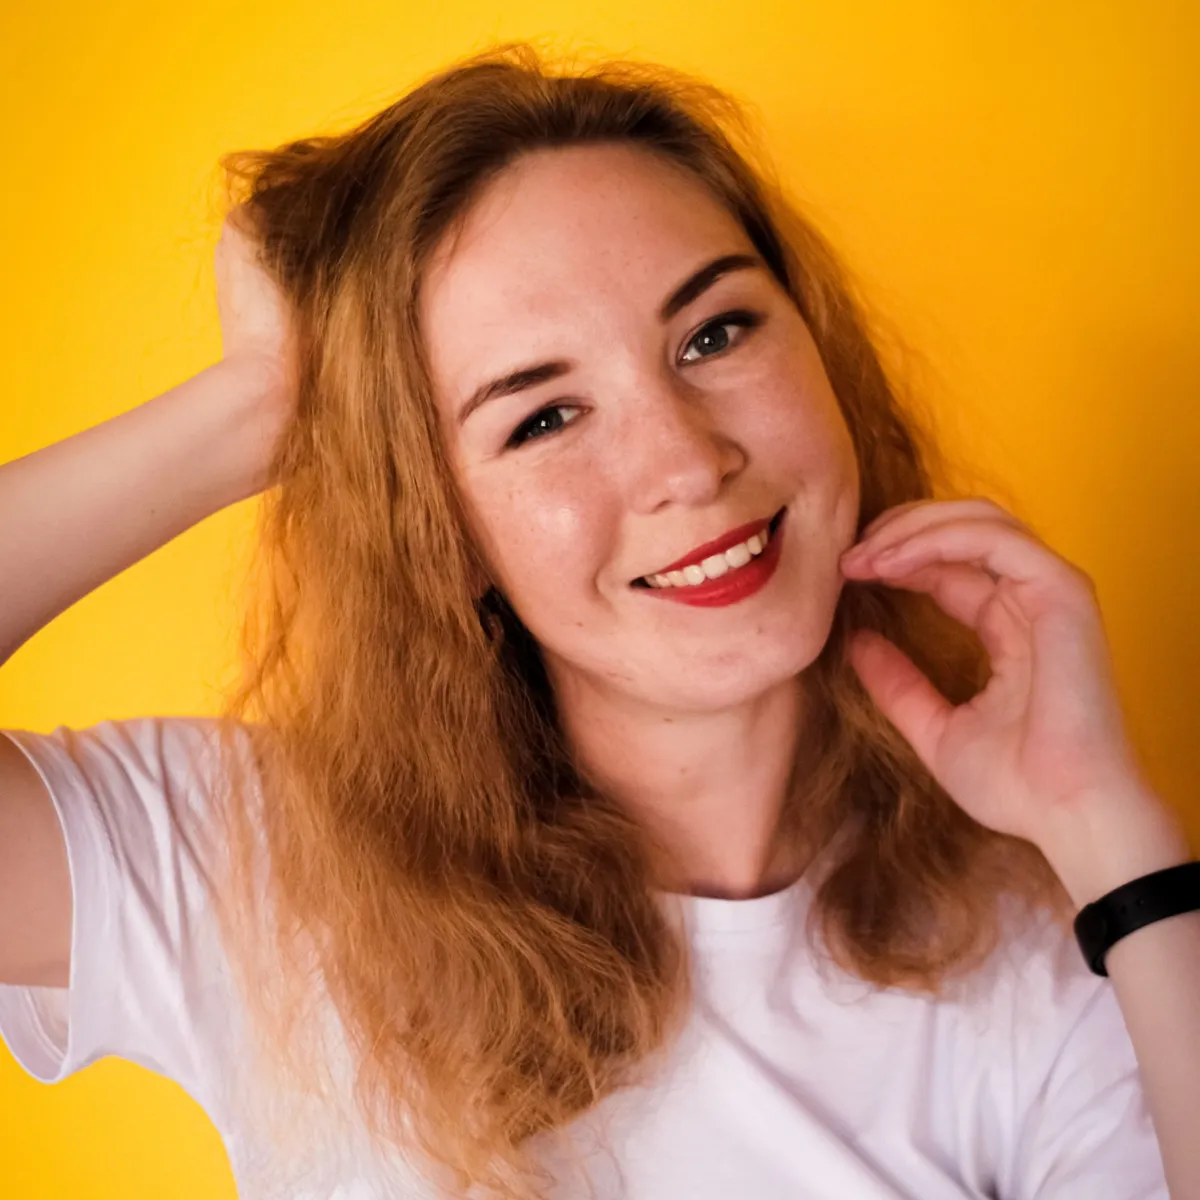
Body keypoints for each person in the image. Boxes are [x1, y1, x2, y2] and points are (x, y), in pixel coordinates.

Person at [0, 41, 1197, 1200]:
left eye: (716, 333)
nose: (686, 461)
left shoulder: (1058, 950)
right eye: (541, 418)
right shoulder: (254, 869)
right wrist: (261, 406)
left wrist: (1109, 834)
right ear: (440, 533)